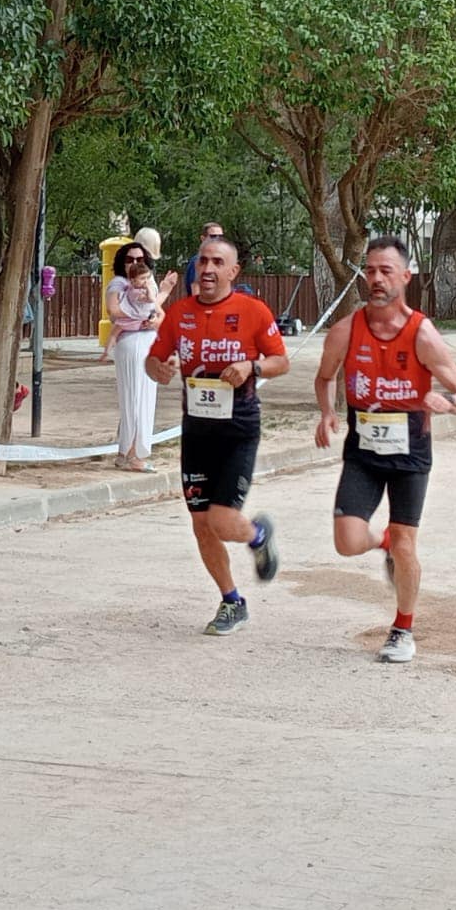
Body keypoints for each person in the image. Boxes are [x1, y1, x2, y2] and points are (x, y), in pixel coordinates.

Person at [313, 237, 456, 664]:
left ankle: (403, 629)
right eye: (370, 271)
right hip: (364, 452)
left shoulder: (421, 333)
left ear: (406, 277)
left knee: (407, 546)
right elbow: (324, 376)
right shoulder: (347, 330)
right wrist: (327, 413)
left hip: (410, 453)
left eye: (386, 271)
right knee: (347, 542)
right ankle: (382, 539)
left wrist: (449, 403)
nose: (377, 279)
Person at [147, 237, 289, 635]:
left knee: (223, 521)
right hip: (196, 433)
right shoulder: (180, 313)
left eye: (217, 262)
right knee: (201, 525)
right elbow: (154, 359)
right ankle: (232, 601)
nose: (207, 269)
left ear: (233, 271)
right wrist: (157, 369)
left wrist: (251, 367)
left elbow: (281, 361)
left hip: (238, 430)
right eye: (203, 261)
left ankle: (258, 534)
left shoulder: (253, 311)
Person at [105, 238, 177, 472]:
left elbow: (160, 313)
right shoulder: (119, 284)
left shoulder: (147, 283)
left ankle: (125, 451)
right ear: (121, 262)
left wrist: (154, 318)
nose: (134, 263)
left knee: (140, 396)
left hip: (148, 342)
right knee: (136, 398)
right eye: (129, 259)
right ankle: (133, 455)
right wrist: (140, 321)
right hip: (132, 342)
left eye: (139, 259)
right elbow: (114, 311)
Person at [184, 222, 225, 297]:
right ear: (203, 239)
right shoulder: (199, 261)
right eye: (213, 236)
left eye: (220, 236)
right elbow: (196, 292)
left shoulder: (221, 261)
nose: (218, 239)